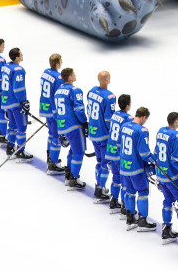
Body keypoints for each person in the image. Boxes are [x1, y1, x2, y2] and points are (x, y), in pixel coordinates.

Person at [120, 106, 156, 230]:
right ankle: (142, 221)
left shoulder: (124, 126)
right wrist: (155, 161)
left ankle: (130, 219)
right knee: (143, 192)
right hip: (136, 168)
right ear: (144, 117)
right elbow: (144, 153)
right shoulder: (142, 130)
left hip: (124, 166)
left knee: (129, 191)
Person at [55, 67, 90, 190]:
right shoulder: (75, 90)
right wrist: (84, 122)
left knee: (72, 151)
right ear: (70, 77)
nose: (75, 76)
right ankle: (73, 179)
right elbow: (79, 110)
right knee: (79, 152)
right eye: (74, 74)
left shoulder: (58, 90)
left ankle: (69, 176)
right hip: (74, 126)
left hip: (62, 126)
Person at [156, 111, 178, 242]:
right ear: (176, 122)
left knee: (167, 200)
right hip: (172, 177)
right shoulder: (177, 136)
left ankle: (166, 229)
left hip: (161, 174)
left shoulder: (160, 131)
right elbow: (176, 160)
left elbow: (156, 152)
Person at [88, 71, 117, 202]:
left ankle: (100, 185)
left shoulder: (91, 91)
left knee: (99, 161)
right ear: (106, 80)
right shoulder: (109, 96)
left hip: (93, 131)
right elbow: (108, 119)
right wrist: (113, 134)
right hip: (103, 134)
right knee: (105, 163)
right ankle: (99, 189)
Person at [0, 47, 31, 160]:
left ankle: (10, 148)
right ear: (17, 57)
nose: (22, 55)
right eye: (21, 54)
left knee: (12, 125)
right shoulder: (18, 70)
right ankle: (20, 151)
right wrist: (23, 102)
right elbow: (18, 89)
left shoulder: (6, 66)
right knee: (22, 126)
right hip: (16, 102)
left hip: (7, 101)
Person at [39, 53, 67, 175]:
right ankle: (53, 164)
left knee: (51, 134)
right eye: (61, 61)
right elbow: (58, 97)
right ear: (57, 63)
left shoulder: (46, 72)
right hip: (54, 110)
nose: (62, 63)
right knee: (56, 137)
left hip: (45, 107)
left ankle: (50, 158)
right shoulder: (59, 78)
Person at [106, 93, 133, 212]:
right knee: (125, 181)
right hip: (119, 152)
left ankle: (113, 201)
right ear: (127, 105)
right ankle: (124, 206)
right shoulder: (128, 118)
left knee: (116, 177)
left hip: (111, 150)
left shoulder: (115, 114)